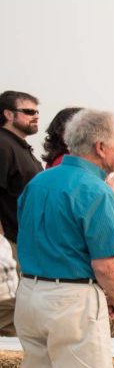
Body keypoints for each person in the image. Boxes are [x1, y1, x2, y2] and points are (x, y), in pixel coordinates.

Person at [14, 109, 114, 368]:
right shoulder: (97, 191)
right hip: (71, 300)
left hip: (29, 294)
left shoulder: (39, 182)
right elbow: (105, 265)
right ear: (101, 147)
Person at [0, 90, 43, 252]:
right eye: (29, 112)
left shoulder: (19, 146)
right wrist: (2, 243)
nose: (36, 116)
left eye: (36, 112)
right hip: (10, 245)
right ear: (9, 115)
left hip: (26, 242)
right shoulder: (3, 145)